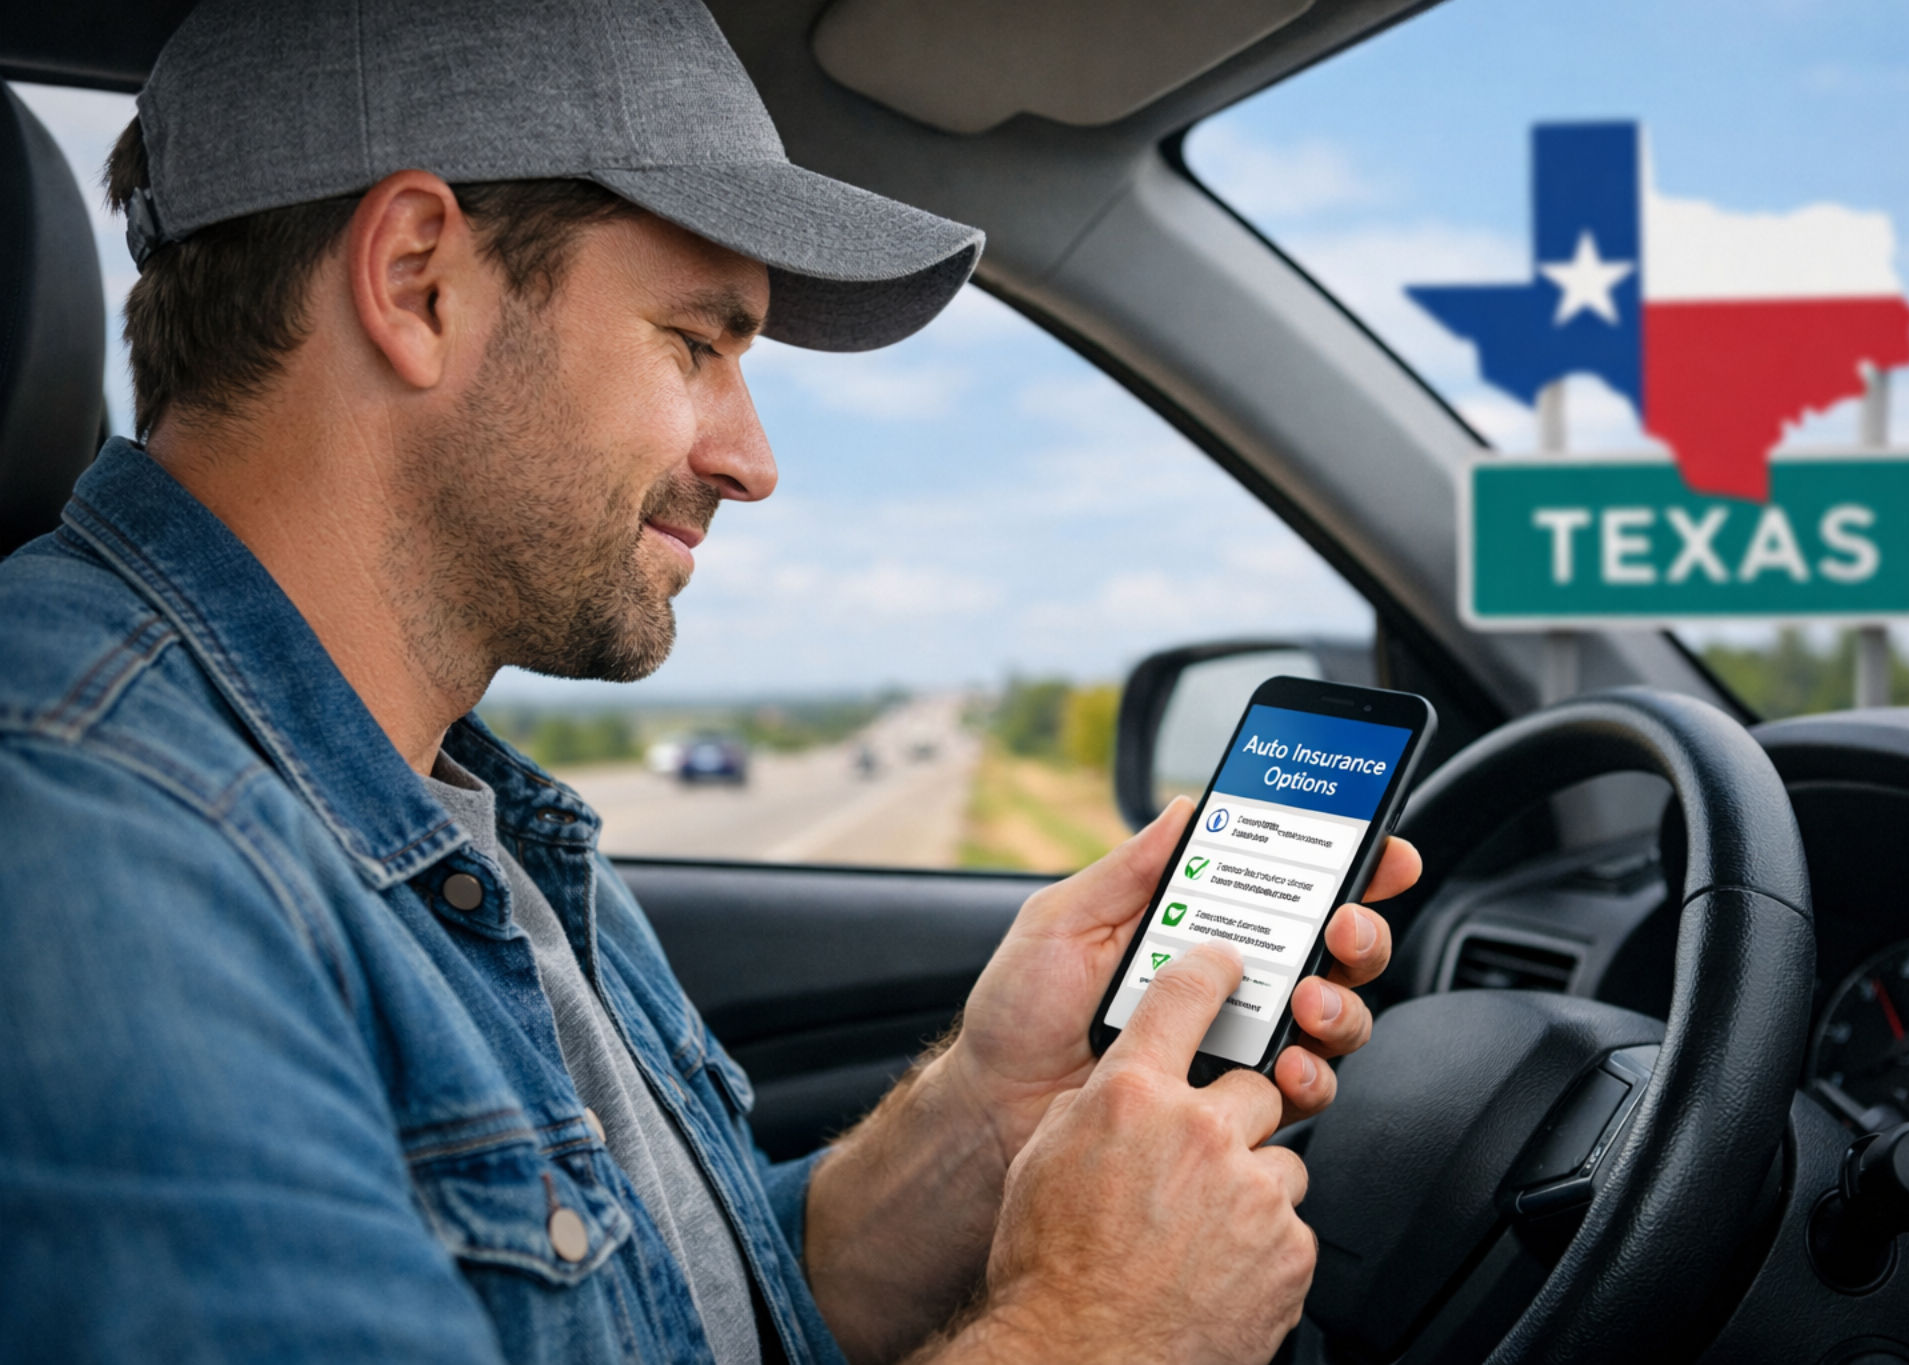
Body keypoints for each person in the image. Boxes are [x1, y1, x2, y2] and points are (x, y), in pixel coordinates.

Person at [0, 2, 1420, 1362]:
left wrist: (984, 1126)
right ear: (415, 280)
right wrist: (1101, 1328)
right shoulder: (83, 835)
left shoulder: (451, 801)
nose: (753, 460)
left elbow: (671, 1317)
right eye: (697, 342)